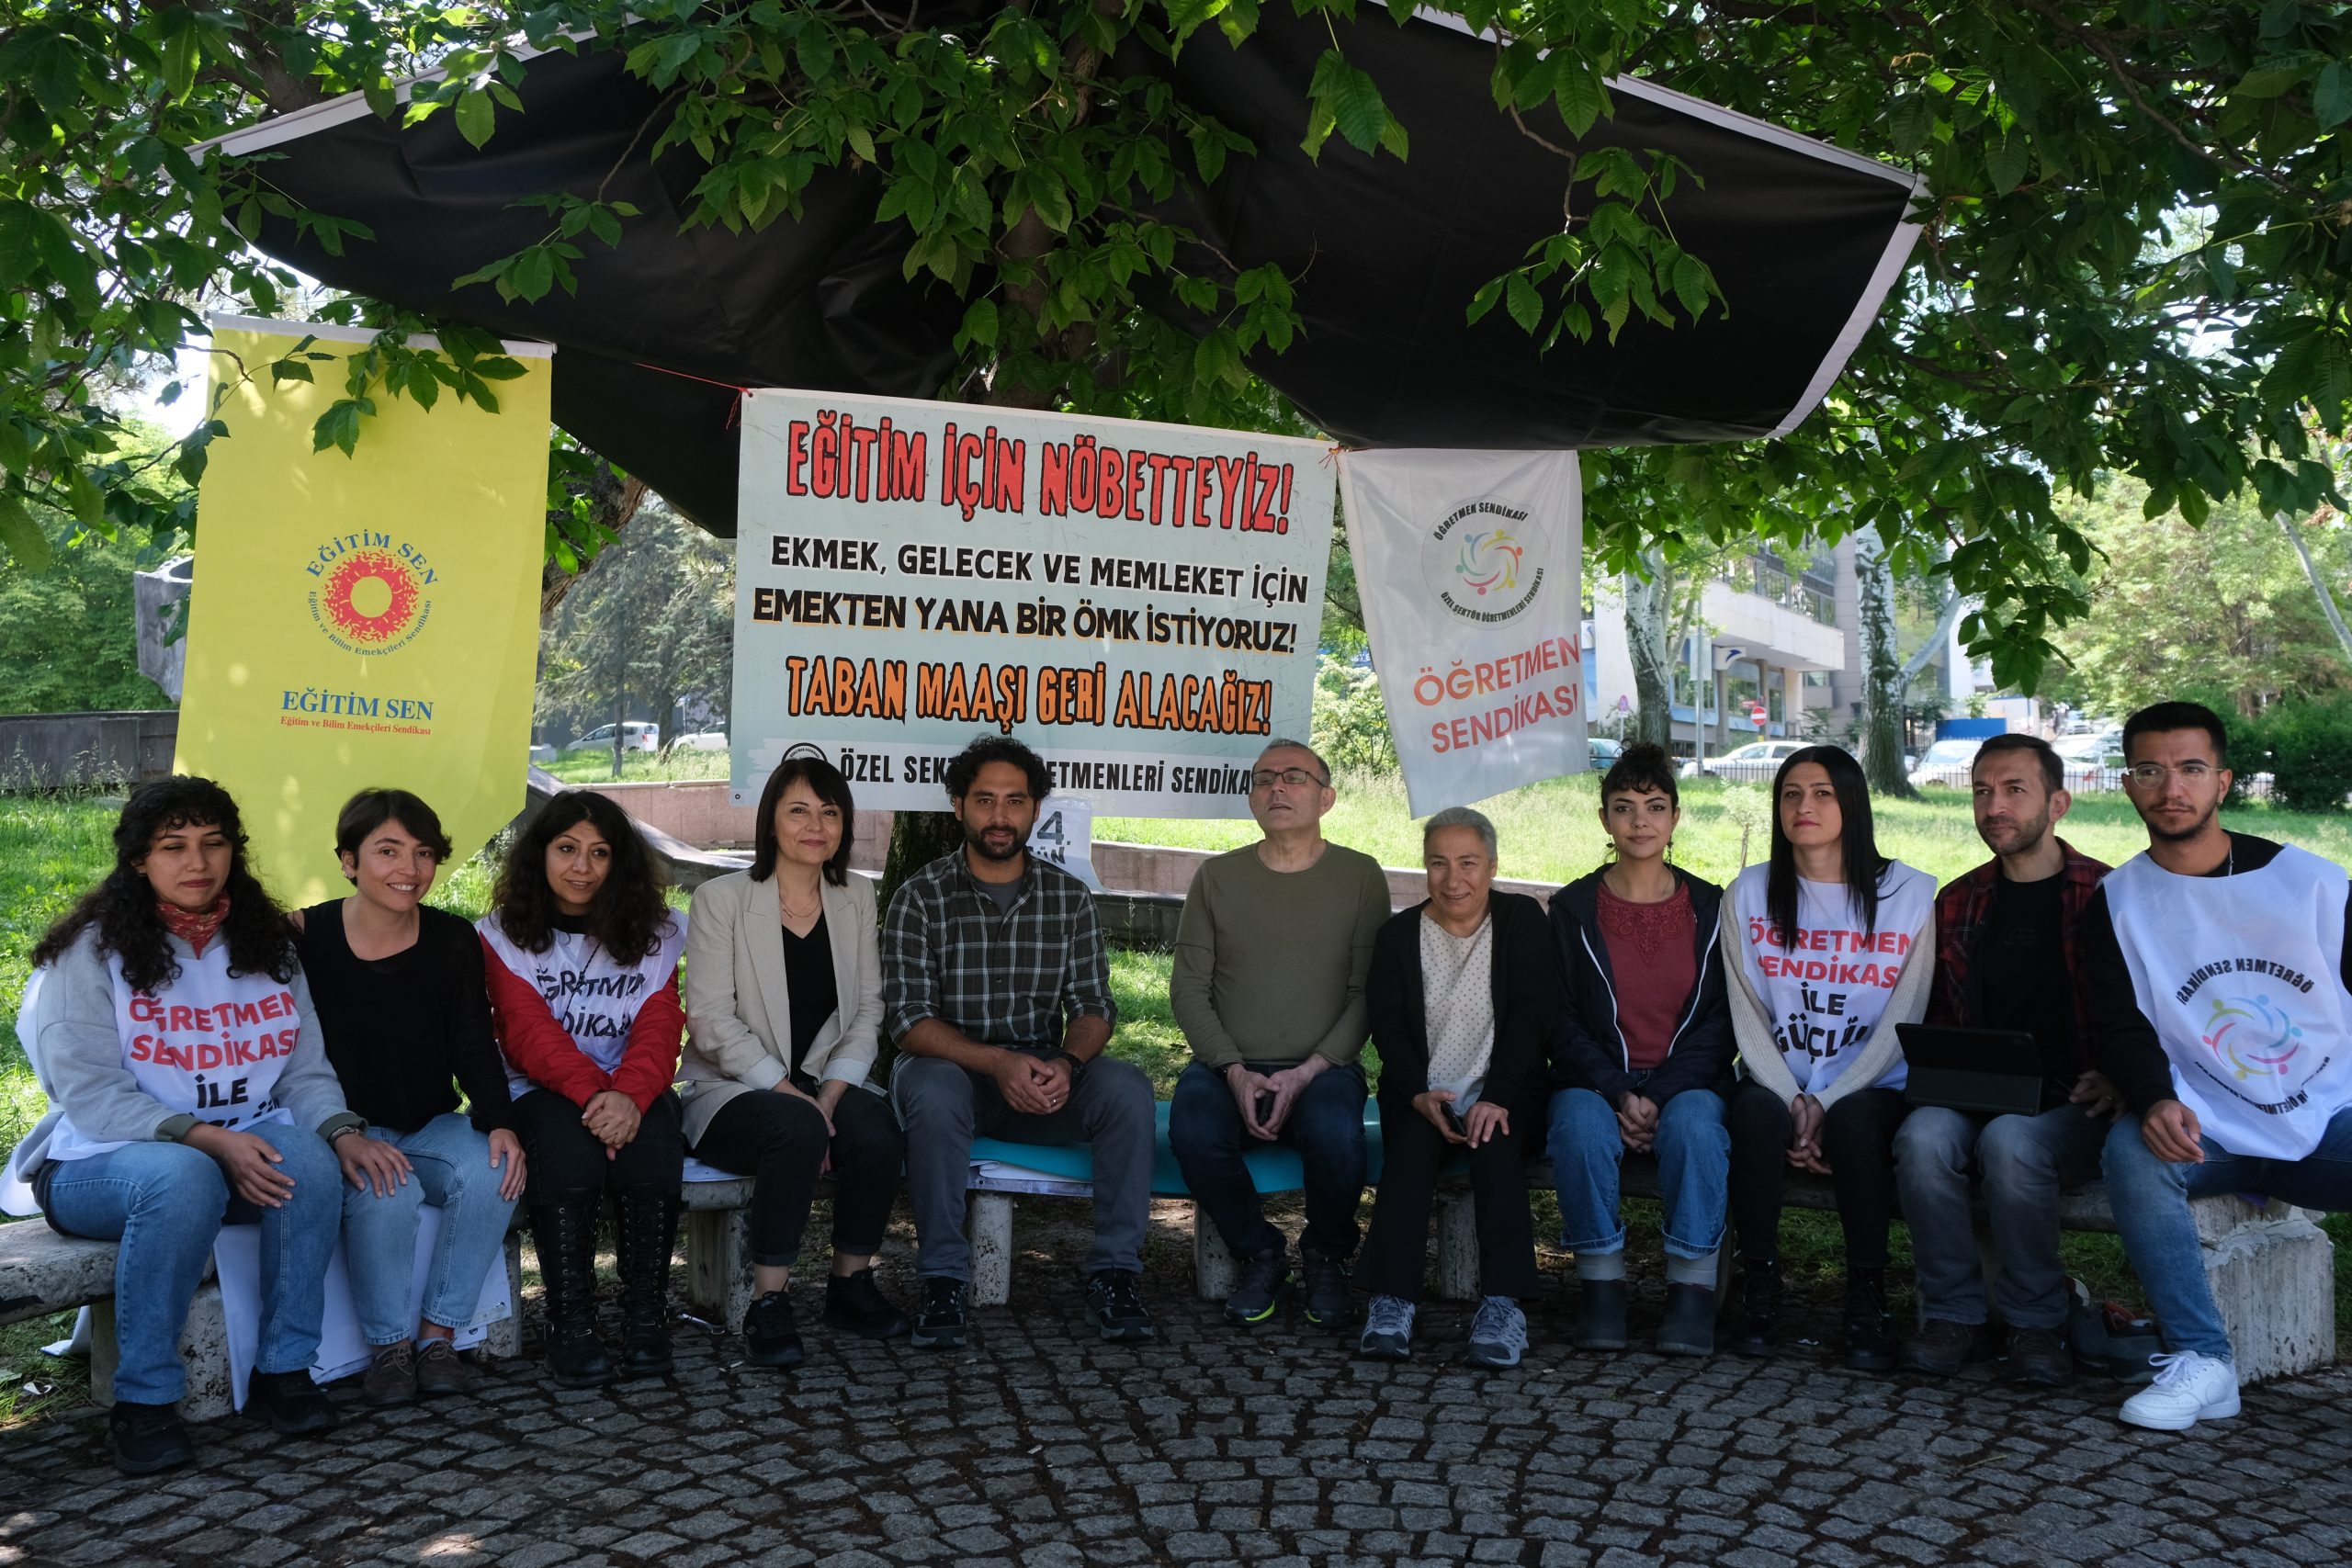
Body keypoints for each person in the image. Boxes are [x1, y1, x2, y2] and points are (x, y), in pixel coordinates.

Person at [10, 777, 401, 1473]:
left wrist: (342, 1131)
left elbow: (303, 1072)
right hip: (98, 1163)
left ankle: (285, 1370)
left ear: (233, 851)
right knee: (184, 1178)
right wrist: (206, 1138)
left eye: (213, 842)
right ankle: (144, 1402)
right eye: (173, 846)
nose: (197, 861)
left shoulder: (266, 947)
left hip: (232, 1149)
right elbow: (90, 1094)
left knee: (308, 1161)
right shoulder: (91, 953)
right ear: (139, 859)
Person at [2086, 701, 2352, 1431]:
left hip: (2328, 1118)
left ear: (2223, 780)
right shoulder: (2116, 901)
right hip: (2208, 1128)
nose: (2171, 787)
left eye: (2191, 768)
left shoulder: (2314, 884)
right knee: (2132, 1152)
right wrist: (2152, 1097)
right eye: (2150, 770)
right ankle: (2204, 1361)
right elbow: (2119, 1025)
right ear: (2129, 783)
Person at [884, 736, 1156, 1348]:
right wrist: (998, 1062)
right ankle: (942, 1279)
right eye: (985, 800)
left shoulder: (1068, 897)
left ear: (1035, 809)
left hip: (1043, 1072)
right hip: (952, 1069)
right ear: (958, 806)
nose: (1000, 816)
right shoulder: (920, 896)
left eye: (1015, 801)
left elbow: (1094, 1007)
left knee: (1127, 1089)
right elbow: (908, 1020)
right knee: (932, 1089)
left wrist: (1069, 1061)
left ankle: (1116, 1273)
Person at [1893, 736, 2115, 1385]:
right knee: (1923, 1136)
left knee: (2012, 1142)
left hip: (2083, 1101)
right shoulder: (1960, 900)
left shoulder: (2107, 893)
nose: (1994, 806)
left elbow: (2148, 1011)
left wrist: (2122, 1075)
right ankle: (1952, 1315)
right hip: (1982, 1091)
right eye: (1982, 791)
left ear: (2058, 803)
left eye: (2015, 789)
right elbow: (1940, 1013)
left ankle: (2036, 1322)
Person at [295, 788, 525, 1405]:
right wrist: (341, 1134)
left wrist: (500, 1121)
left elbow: (473, 1042)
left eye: (423, 853)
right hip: (343, 1130)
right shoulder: (308, 934)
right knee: (386, 1193)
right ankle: (389, 1349)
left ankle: (438, 1337)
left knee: (495, 1169)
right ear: (348, 861)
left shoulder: (452, 937)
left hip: (428, 1123)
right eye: (388, 851)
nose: (409, 868)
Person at [681, 752, 909, 1368]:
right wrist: (791, 1095)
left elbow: (868, 1008)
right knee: (797, 1126)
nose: (816, 826)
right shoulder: (721, 899)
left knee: (879, 1132)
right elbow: (709, 1019)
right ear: (771, 821)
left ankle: (849, 1285)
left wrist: (829, 1097)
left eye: (830, 812)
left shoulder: (855, 895)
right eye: (799, 811)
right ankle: (769, 1302)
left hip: (823, 1079)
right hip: (732, 1089)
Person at [1723, 745, 1934, 1370]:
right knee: (1753, 1115)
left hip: (1872, 1083)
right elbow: (1746, 1012)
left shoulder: (1910, 894)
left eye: (1822, 793)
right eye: (1790, 794)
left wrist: (1828, 1099)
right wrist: (1793, 1096)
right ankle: (1760, 1283)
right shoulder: (1749, 892)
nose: (1803, 806)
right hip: (1776, 1078)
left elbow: (1904, 1018)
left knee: (1856, 1123)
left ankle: (1867, 1294)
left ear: (1853, 804)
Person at [1167, 738, 1389, 1329]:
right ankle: (1262, 1255)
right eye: (1264, 779)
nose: (1278, 788)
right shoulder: (1216, 877)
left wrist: (1309, 1071)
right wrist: (1233, 1071)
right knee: (1192, 1129)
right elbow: (1188, 989)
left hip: (1324, 1069)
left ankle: (1325, 1257)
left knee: (1338, 1134)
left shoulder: (1361, 876)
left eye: (1294, 777)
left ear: (1327, 798)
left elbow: (1368, 992)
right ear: (1251, 799)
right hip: (1226, 1066)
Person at [480, 790, 686, 1388]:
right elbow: (527, 1033)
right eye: (567, 849)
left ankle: (645, 1313)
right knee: (566, 1146)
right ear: (540, 853)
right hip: (540, 1087)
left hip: (633, 1088)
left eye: (600, 853)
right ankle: (570, 1319)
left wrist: (631, 1096)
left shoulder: (657, 932)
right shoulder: (501, 935)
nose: (582, 867)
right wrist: (602, 1102)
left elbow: (660, 1023)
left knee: (655, 1140)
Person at [1546, 742, 1734, 1356]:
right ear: (1604, 818)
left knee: (1697, 1129)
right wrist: (1620, 1090)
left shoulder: (1711, 907)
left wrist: (1658, 1093)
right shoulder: (1573, 909)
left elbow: (1721, 1020)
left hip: (1689, 1082)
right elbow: (1560, 1018)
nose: (1640, 821)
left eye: (1655, 806)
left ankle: (1692, 1289)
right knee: (1578, 1126)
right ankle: (1601, 1284)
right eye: (1624, 807)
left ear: (1676, 816)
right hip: (1596, 1081)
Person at [1357, 807, 1560, 1368]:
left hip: (1508, 1092)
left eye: (1468, 863)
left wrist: (1498, 1096)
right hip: (1423, 1094)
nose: (1453, 879)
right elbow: (1388, 1027)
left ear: (1492, 866)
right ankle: (1392, 1301)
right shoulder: (1398, 936)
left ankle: (1502, 1306)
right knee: (1410, 1150)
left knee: (1496, 1147)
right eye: (1438, 864)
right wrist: (1417, 1093)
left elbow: (1532, 1017)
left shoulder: (1521, 921)